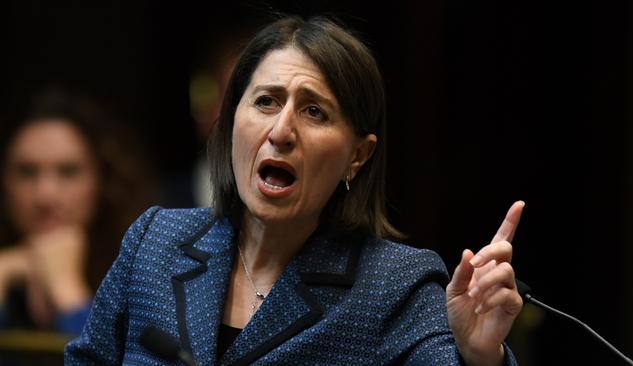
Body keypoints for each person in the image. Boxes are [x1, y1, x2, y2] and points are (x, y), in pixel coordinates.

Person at [65, 16, 523, 365]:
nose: (281, 130)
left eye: (314, 112)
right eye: (265, 101)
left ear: (357, 156)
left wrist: (480, 358)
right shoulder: (155, 243)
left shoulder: (395, 287)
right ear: (230, 124)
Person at [0, 90, 157, 336]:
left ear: (103, 183)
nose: (45, 195)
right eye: (26, 172)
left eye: (68, 172)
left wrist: (68, 292)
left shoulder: (150, 273)